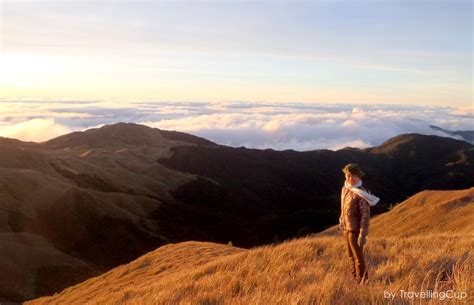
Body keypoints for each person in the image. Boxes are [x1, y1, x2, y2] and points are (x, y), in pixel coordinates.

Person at [339, 163, 379, 284]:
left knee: (358, 258)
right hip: (346, 229)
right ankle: (355, 279)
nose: (350, 178)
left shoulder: (362, 194)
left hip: (355, 231)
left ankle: (363, 282)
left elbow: (365, 216)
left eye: (353, 176)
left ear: (359, 177)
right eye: (347, 175)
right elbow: (343, 206)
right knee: (350, 257)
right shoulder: (345, 188)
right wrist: (341, 218)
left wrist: (363, 234)